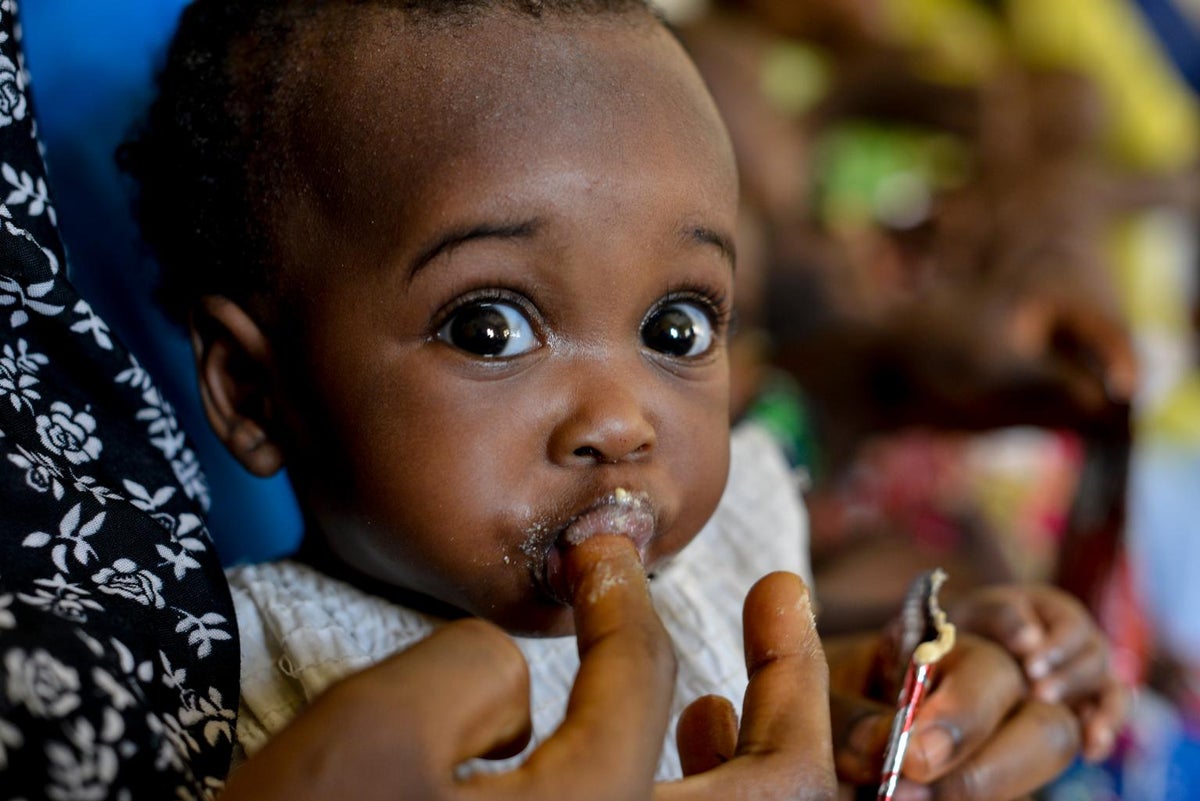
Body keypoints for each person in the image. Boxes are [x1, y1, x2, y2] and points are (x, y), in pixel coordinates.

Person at [118, 0, 1125, 797]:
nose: (621, 420)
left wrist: (916, 694)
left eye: (675, 328)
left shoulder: (727, 545)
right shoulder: (247, 700)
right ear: (254, 389)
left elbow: (793, 691)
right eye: (489, 328)